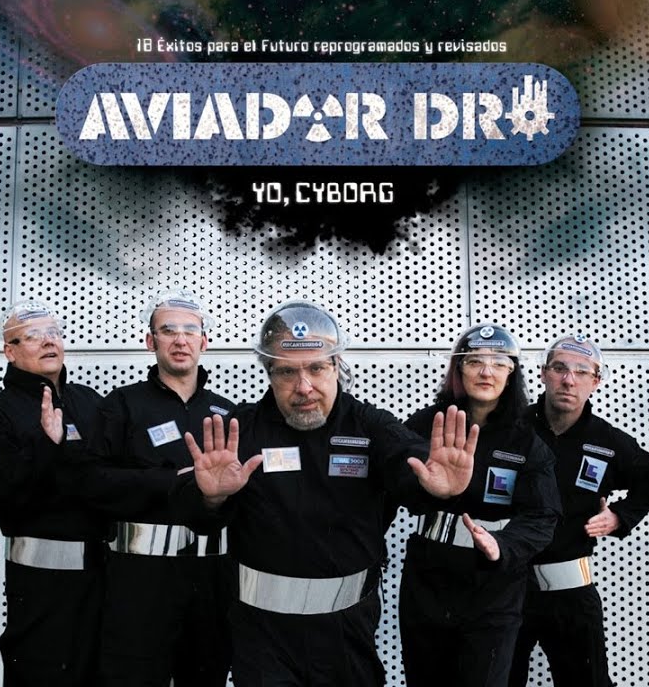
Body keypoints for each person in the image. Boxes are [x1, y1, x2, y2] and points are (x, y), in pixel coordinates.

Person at [175, 299, 481, 687]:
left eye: (316, 368)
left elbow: (409, 465)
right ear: (269, 373)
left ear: (336, 366)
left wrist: (436, 487)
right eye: (287, 372)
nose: (304, 387)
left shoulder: (369, 426)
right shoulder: (240, 430)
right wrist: (211, 498)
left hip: (346, 631)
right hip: (262, 633)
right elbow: (196, 514)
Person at [0, 298, 172, 687]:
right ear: (9, 351)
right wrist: (46, 446)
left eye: (54, 333)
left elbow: (118, 475)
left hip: (106, 576)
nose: (49, 342)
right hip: (41, 584)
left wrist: (172, 476)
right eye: (33, 336)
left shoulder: (89, 401)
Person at [397, 324, 562, 687]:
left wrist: (502, 544)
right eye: (475, 361)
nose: (487, 371)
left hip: (494, 587)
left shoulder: (527, 440)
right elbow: (392, 487)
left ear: (511, 373)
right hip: (428, 578)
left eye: (498, 363)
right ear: (459, 369)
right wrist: (430, 490)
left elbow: (543, 516)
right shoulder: (428, 424)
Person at [508, 334, 649, 687]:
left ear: (596, 382)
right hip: (504, 589)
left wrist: (620, 516)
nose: (569, 380)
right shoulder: (511, 429)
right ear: (543, 374)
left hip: (570, 591)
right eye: (559, 368)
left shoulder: (606, 440)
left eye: (582, 372)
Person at [89, 289, 238, 687]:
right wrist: (171, 480)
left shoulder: (227, 412)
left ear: (204, 342)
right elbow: (93, 481)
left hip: (211, 576)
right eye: (168, 331)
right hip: (140, 576)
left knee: (206, 675)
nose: (180, 340)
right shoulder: (121, 405)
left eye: (190, 331)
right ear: (149, 341)